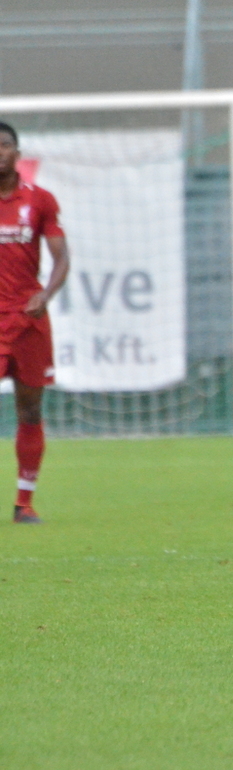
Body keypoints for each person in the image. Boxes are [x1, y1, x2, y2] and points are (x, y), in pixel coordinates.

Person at [0, 122, 69, 524]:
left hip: (28, 319)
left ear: (17, 152)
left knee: (29, 410)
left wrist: (46, 294)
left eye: (4, 145)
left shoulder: (40, 200)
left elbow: (61, 258)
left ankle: (23, 503)